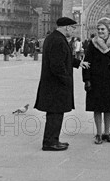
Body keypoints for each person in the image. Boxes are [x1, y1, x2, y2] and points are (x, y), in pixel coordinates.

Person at [34, 17, 89, 151]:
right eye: (73, 28)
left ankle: (53, 140)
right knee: (55, 114)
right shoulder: (58, 40)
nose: (74, 30)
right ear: (66, 27)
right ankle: (50, 142)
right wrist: (66, 79)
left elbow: (65, 57)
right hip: (56, 85)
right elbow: (57, 64)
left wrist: (78, 63)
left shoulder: (54, 38)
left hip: (53, 84)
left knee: (55, 113)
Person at [82, 17, 110, 144]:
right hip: (95, 79)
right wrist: (87, 80)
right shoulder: (93, 43)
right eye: (98, 29)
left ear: (109, 30)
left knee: (109, 107)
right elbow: (87, 62)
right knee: (97, 107)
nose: (100, 31)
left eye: (103, 29)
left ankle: (107, 133)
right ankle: (98, 134)